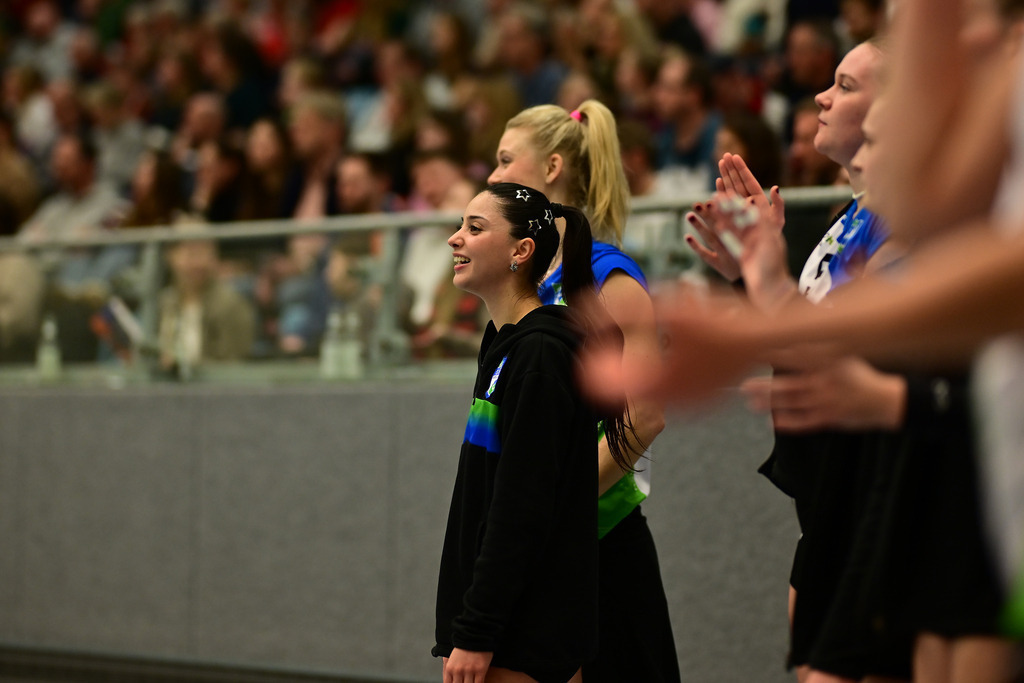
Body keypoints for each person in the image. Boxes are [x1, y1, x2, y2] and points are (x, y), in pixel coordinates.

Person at [487, 99, 677, 682]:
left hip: (602, 534)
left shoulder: (608, 278)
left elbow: (646, 416)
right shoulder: (527, 281)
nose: (492, 176)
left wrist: (560, 499)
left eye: (504, 160)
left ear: (551, 169)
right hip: (543, 535)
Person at [433, 181, 632, 683]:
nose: (455, 239)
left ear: (521, 251)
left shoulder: (540, 356)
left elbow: (522, 506)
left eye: (474, 228)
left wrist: (478, 631)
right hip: (504, 626)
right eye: (459, 225)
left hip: (524, 634)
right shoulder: (504, 341)